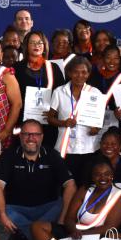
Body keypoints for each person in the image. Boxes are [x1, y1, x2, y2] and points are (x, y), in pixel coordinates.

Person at [30, 156, 121, 240]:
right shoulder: (85, 190)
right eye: (98, 174)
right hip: (75, 233)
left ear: (112, 174)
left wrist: (83, 235)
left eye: (107, 174)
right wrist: (74, 230)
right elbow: (69, 218)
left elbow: (109, 227)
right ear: (92, 176)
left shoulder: (119, 196)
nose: (103, 178)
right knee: (36, 227)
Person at [0, 120, 77, 240]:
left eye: (35, 134)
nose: (31, 138)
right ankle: (41, 235)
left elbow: (70, 185)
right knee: (4, 212)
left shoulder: (52, 155)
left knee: (61, 205)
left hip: (48, 209)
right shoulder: (8, 155)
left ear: (42, 137)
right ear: (20, 136)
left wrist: (62, 219)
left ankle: (25, 236)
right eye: (26, 134)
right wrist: (2, 215)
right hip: (17, 210)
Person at [48, 56, 102, 186]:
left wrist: (97, 129)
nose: (80, 75)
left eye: (84, 72)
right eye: (76, 72)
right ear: (69, 73)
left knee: (86, 185)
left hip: (88, 148)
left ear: (88, 74)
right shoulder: (59, 92)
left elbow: (99, 120)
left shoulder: (95, 93)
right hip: (66, 149)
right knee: (66, 186)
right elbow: (50, 118)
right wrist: (63, 123)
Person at [14, 31, 65, 145]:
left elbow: (62, 95)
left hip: (47, 124)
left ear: (45, 46)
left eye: (40, 43)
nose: (37, 45)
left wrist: (54, 112)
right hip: (22, 124)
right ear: (26, 46)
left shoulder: (54, 68)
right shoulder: (16, 69)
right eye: (32, 42)